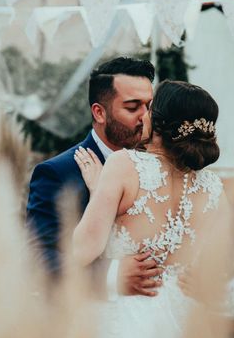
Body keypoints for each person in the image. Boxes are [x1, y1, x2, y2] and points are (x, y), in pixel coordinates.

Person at [71, 80, 228, 338]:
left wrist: (99, 190)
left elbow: (82, 250)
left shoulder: (123, 165)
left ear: (159, 122)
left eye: (149, 109)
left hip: (129, 317)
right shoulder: (213, 187)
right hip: (186, 320)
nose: (142, 115)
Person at [26, 56, 162, 297]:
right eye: (132, 107)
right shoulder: (58, 173)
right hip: (92, 321)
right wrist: (112, 277)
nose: (145, 116)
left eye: (148, 106)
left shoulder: (160, 168)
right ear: (99, 113)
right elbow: (41, 261)